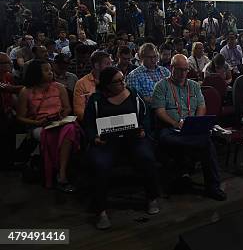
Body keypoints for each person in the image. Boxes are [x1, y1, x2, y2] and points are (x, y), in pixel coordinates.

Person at [83, 67, 159, 229]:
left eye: (122, 79)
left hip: (133, 138)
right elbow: (88, 124)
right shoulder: (96, 100)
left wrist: (144, 130)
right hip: (107, 142)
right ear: (106, 85)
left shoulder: (133, 94)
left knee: (147, 157)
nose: (122, 83)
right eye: (117, 82)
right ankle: (101, 210)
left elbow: (144, 116)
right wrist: (94, 138)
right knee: (100, 164)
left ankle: (152, 197)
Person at [152, 54, 226, 201]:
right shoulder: (161, 86)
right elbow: (159, 111)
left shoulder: (193, 85)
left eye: (186, 70)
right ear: (171, 68)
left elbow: (201, 106)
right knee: (199, 142)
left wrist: (195, 122)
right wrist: (175, 123)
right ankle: (185, 171)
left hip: (190, 127)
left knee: (205, 142)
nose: (183, 73)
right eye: (179, 70)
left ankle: (212, 185)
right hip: (170, 128)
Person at [16, 60, 81, 191]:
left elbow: (67, 108)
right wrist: (37, 123)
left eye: (50, 69)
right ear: (36, 73)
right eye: (46, 70)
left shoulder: (59, 87)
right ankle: (59, 174)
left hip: (59, 122)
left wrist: (61, 117)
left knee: (70, 129)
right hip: (39, 125)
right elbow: (20, 117)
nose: (50, 72)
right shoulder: (26, 92)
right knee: (52, 134)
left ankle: (61, 173)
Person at [74, 51, 113, 121]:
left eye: (111, 63)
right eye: (107, 64)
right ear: (97, 65)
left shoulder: (114, 80)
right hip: (91, 121)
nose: (111, 67)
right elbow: (79, 111)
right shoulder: (81, 83)